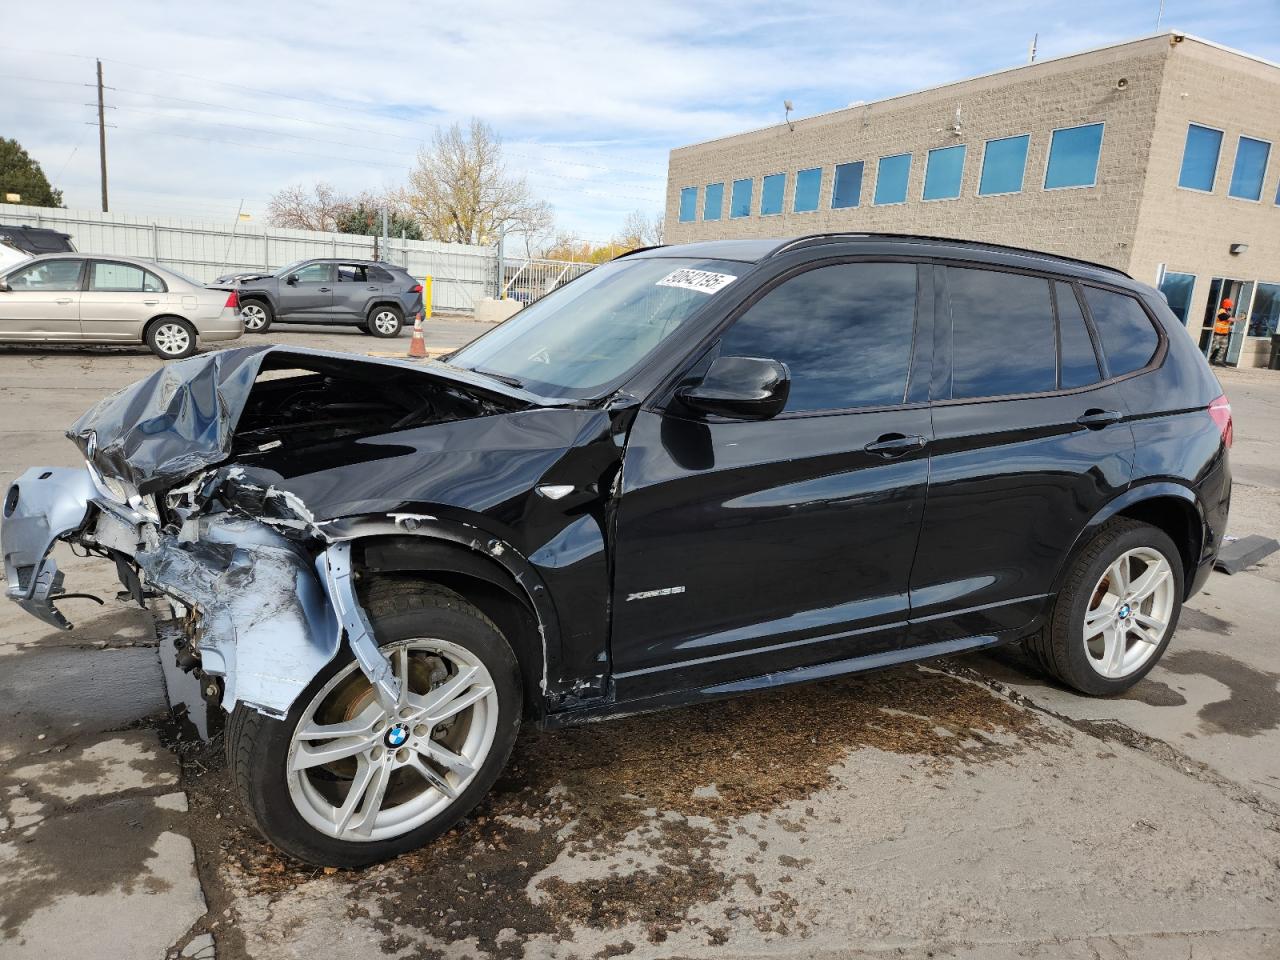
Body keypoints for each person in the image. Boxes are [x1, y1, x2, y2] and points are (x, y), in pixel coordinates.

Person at [1210, 299, 1235, 365]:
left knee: (1223, 347)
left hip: (1224, 334)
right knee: (1213, 346)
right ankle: (1205, 359)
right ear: (1227, 305)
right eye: (1230, 306)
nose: (1231, 307)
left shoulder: (1226, 312)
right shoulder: (1221, 312)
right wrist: (1240, 318)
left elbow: (1227, 322)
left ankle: (1218, 361)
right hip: (1218, 333)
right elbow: (1231, 319)